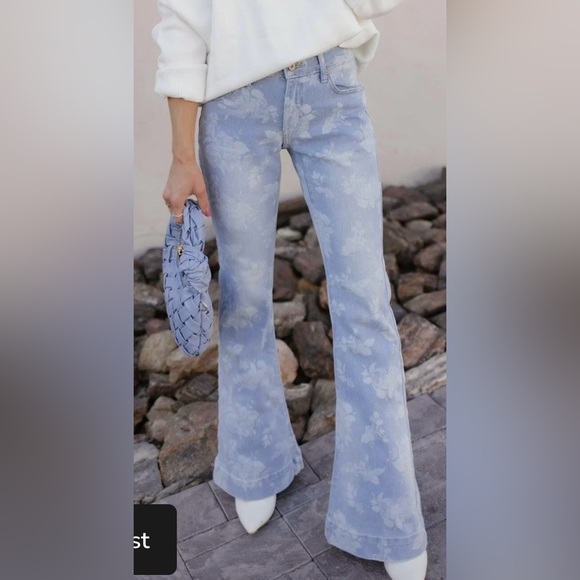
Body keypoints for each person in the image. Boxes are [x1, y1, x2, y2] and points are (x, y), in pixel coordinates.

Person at [152, 1, 428, 578]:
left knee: (366, 304)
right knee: (245, 299)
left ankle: (385, 511)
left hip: (330, 87)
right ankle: (255, 462)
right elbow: (182, 17)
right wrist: (181, 153)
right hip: (233, 102)